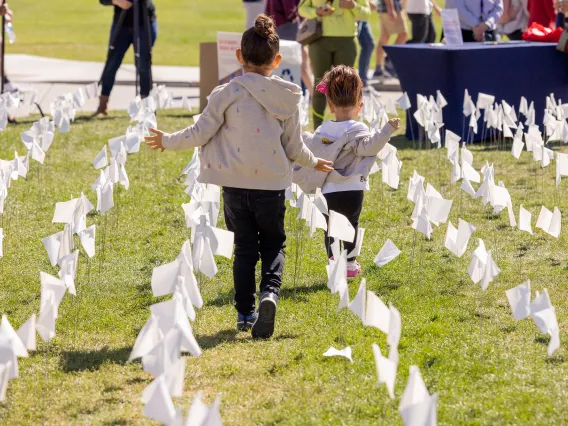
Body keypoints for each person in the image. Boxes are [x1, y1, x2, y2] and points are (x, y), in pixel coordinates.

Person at [144, 15, 333, 339]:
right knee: (274, 244)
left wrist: (167, 140)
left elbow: (198, 133)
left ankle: (245, 313)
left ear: (239, 57)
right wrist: (314, 162)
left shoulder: (225, 93)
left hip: (234, 186)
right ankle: (270, 294)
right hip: (271, 187)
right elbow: (294, 146)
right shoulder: (287, 98)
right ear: (276, 61)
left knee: (245, 249)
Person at [292, 65, 399, 277]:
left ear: (330, 105)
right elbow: (369, 147)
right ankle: (349, 263)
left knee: (330, 228)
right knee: (351, 225)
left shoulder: (323, 130)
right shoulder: (358, 130)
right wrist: (386, 131)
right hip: (352, 189)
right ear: (360, 106)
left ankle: (334, 262)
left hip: (327, 191)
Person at [299, 0, 371, 128]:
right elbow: (301, 9)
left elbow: (366, 13)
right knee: (319, 84)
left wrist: (353, 6)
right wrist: (316, 11)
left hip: (346, 41)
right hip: (319, 40)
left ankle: (346, 126)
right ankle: (317, 128)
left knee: (347, 85)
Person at [95, 0, 158, 117]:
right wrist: (117, 1)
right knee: (112, 62)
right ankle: (103, 105)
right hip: (121, 23)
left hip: (144, 22)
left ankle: (146, 106)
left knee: (143, 64)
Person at [265, 0, 314, 94]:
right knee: (302, 60)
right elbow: (290, 13)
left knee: (303, 56)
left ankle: (311, 93)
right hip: (287, 26)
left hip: (276, 24)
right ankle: (314, 94)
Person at [373, 0, 408, 79]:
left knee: (384, 37)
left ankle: (378, 68)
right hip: (390, 7)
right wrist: (391, 9)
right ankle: (389, 61)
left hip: (387, 7)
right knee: (403, 34)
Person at [357, 1, 377, 86]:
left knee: (369, 44)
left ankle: (362, 81)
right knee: (345, 49)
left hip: (362, 13)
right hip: (353, 12)